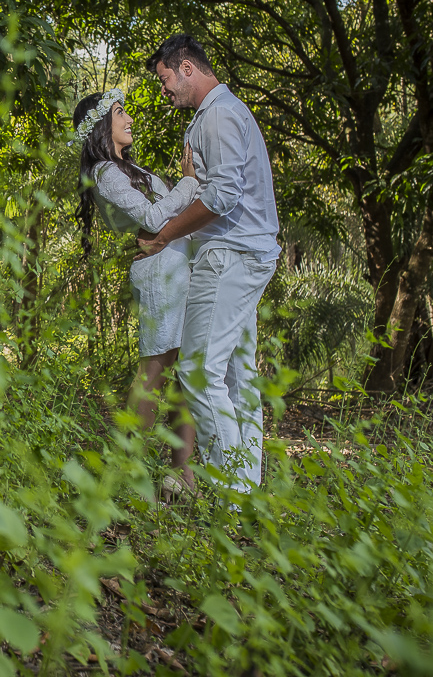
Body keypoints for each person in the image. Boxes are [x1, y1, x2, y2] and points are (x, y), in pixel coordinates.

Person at [138, 34, 281, 495]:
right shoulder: (222, 113)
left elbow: (221, 197)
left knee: (199, 374)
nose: (163, 90)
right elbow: (214, 187)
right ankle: (245, 496)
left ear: (186, 68)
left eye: (164, 79)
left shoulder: (218, 115)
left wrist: (164, 235)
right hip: (245, 253)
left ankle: (232, 498)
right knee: (238, 378)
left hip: (230, 256)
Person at [74, 88, 200, 498]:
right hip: (159, 272)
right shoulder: (105, 173)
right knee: (155, 371)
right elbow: (152, 215)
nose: (129, 118)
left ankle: (182, 475)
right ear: (101, 125)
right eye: (119, 112)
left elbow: (169, 212)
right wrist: (187, 182)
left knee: (182, 373)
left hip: (177, 265)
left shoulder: (130, 168)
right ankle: (125, 475)